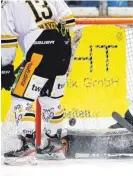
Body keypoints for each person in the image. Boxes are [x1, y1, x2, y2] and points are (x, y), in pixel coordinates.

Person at [1, 0, 75, 165]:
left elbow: (7, 38)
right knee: (50, 98)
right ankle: (54, 145)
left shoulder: (6, 3)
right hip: (64, 44)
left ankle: (27, 146)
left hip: (40, 46)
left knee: (21, 96)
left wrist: (6, 67)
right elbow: (70, 21)